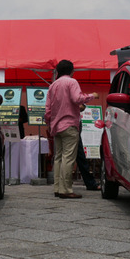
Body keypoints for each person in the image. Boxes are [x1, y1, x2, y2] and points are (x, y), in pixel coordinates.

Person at [44, 60, 98, 199]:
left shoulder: (53, 85)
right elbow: (77, 98)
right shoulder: (72, 82)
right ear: (72, 71)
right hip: (69, 124)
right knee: (68, 158)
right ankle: (66, 190)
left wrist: (49, 123)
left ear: (57, 71)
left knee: (58, 158)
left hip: (56, 126)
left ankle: (57, 187)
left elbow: (48, 109)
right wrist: (92, 95)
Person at [76, 105, 100, 191]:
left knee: (61, 157)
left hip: (58, 125)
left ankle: (60, 185)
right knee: (79, 156)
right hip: (71, 125)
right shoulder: (71, 91)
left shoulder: (53, 91)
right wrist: (91, 96)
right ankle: (90, 183)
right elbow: (80, 106)